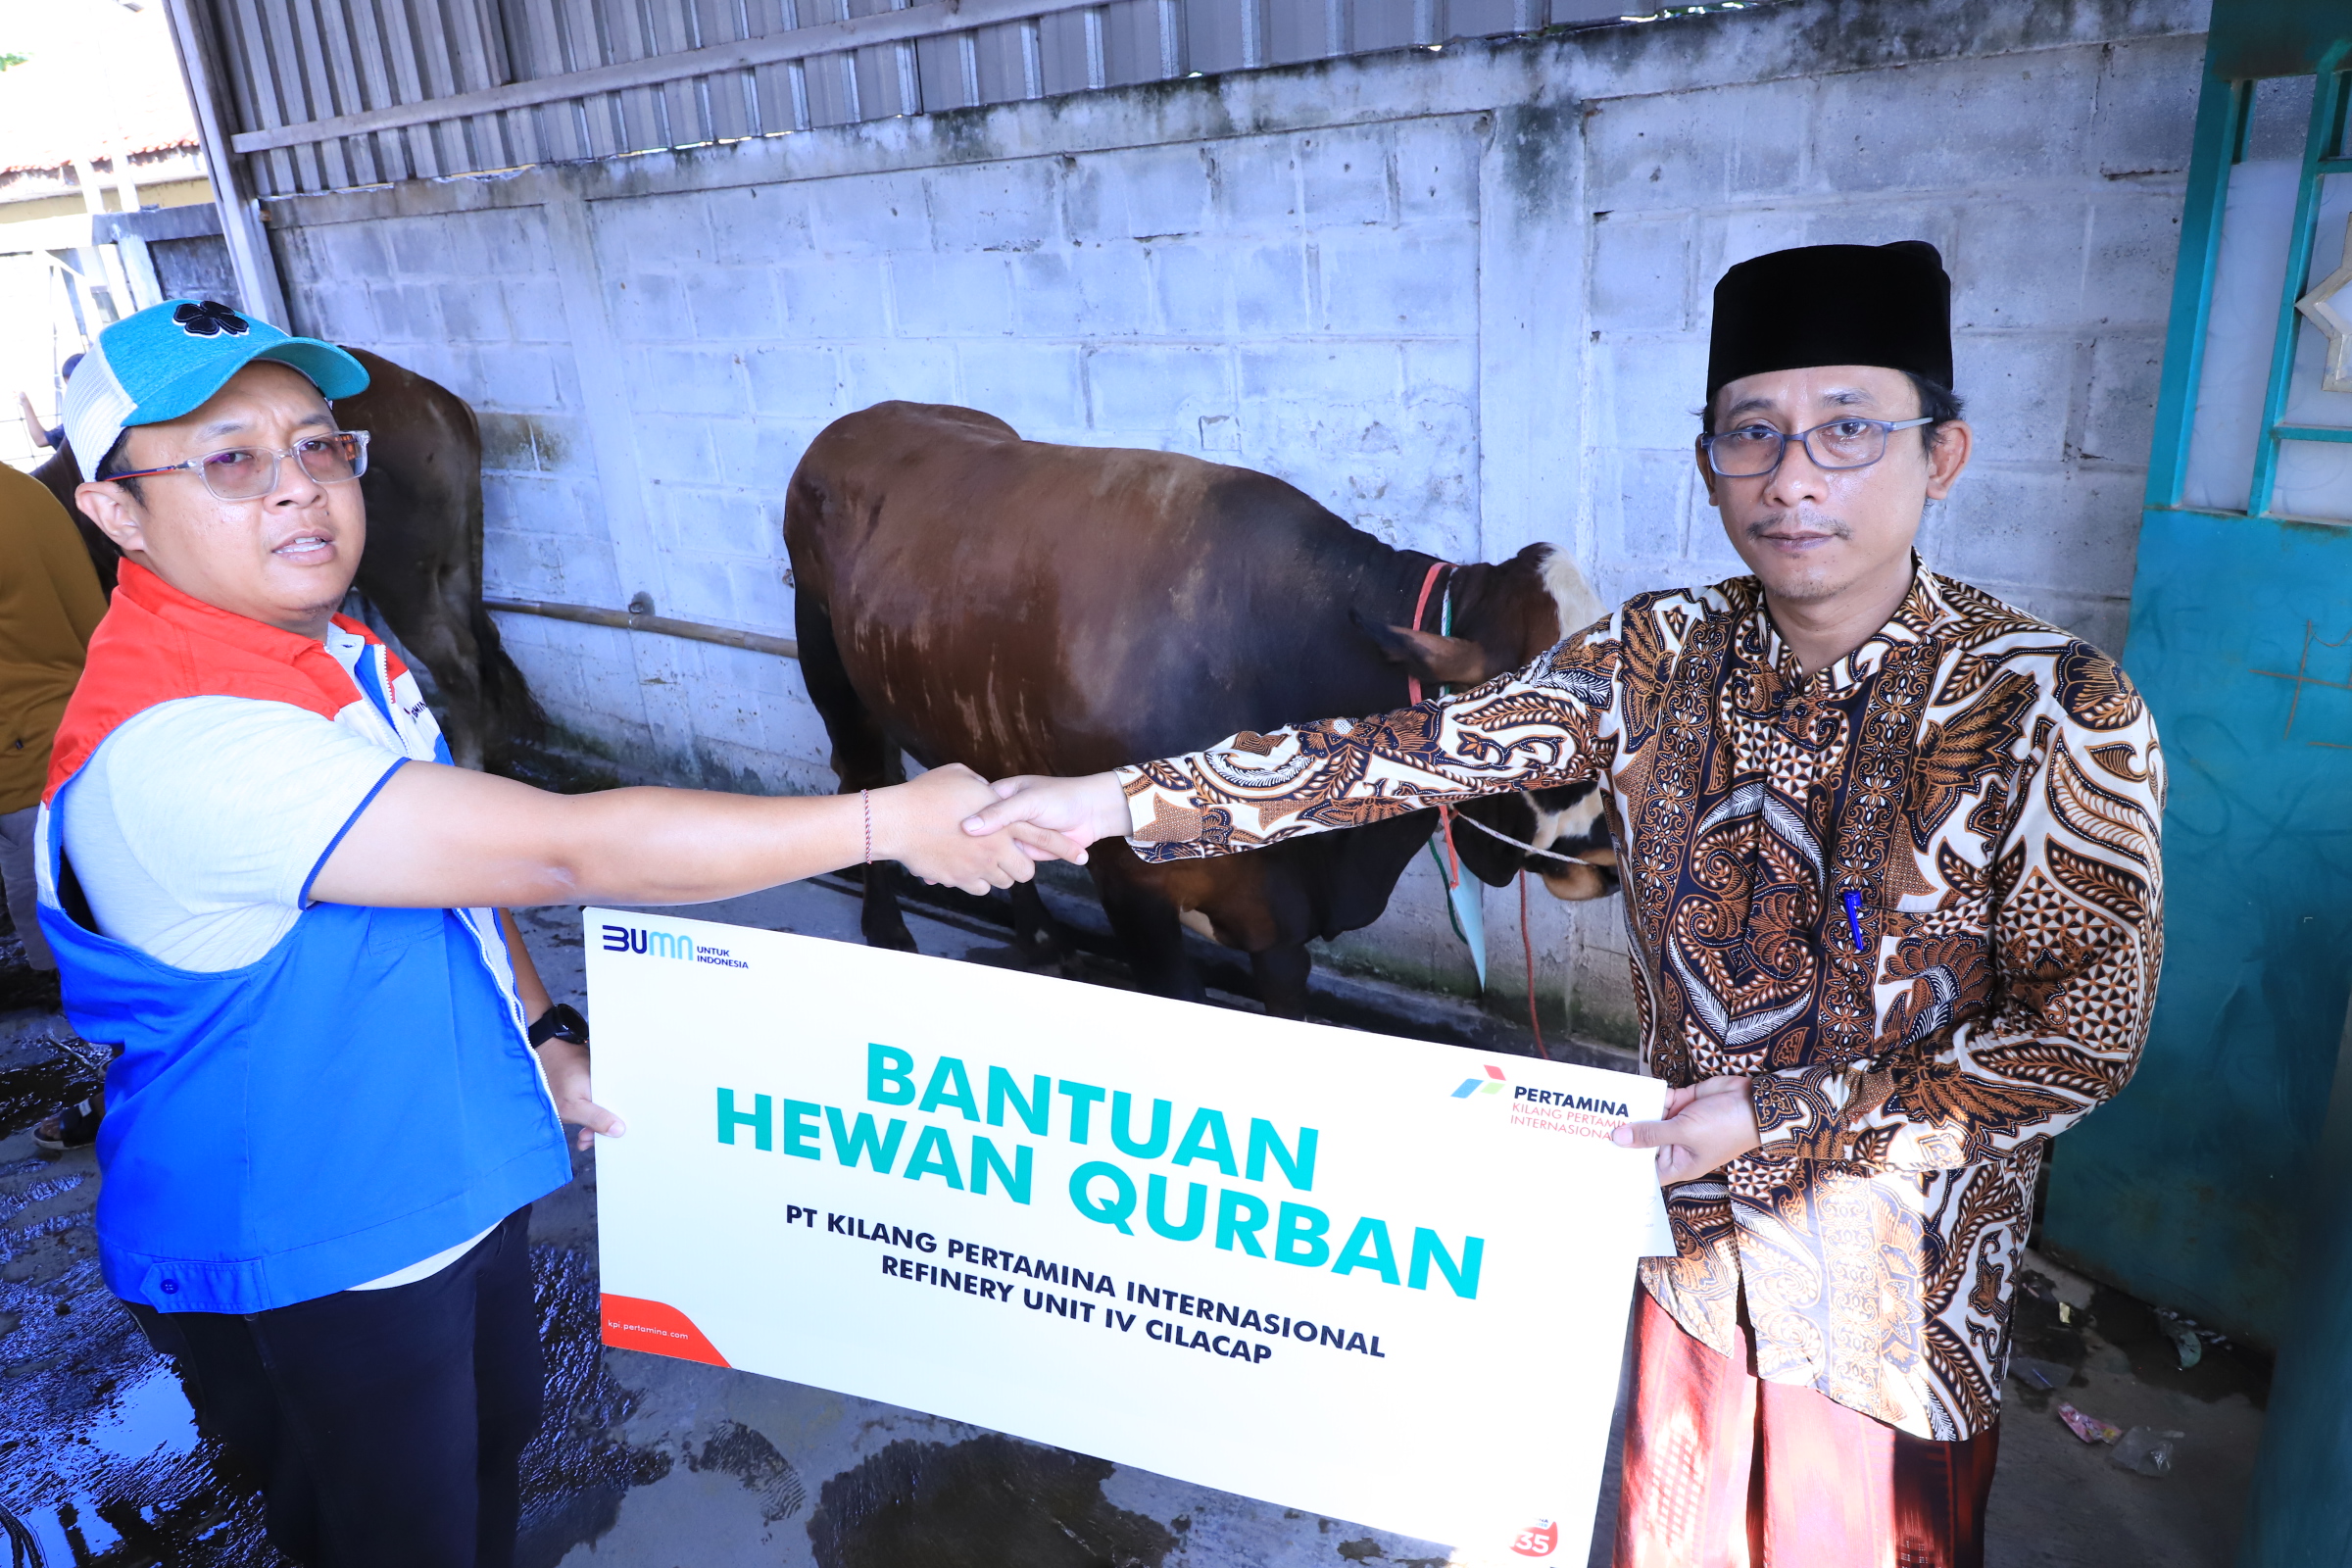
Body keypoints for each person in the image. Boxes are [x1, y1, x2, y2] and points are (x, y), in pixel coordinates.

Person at [962, 241, 2165, 1567]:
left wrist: (1778, 1113)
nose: (1795, 475)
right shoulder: (1657, 655)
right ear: (1710, 462)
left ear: (1942, 455)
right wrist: (1119, 804)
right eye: (1750, 434)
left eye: (1850, 429)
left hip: (1901, 1305)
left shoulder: (2053, 709)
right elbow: (1403, 753)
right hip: (1692, 1265)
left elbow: (2082, 1036)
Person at [43, 298, 1075, 1568]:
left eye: (319, 447)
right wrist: (887, 821)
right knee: (394, 1532)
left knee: (485, 1459)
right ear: (118, 513)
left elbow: (456, 876)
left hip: (439, 1154)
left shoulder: (331, 649)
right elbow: (558, 847)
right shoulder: (188, 748)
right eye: (229, 459)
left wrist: (542, 1029)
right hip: (321, 1227)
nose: (298, 492)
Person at [0, 460, 109, 1146]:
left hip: (21, 763)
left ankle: (134, 1102)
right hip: (74, 743)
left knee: (84, 954)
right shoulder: (25, 492)